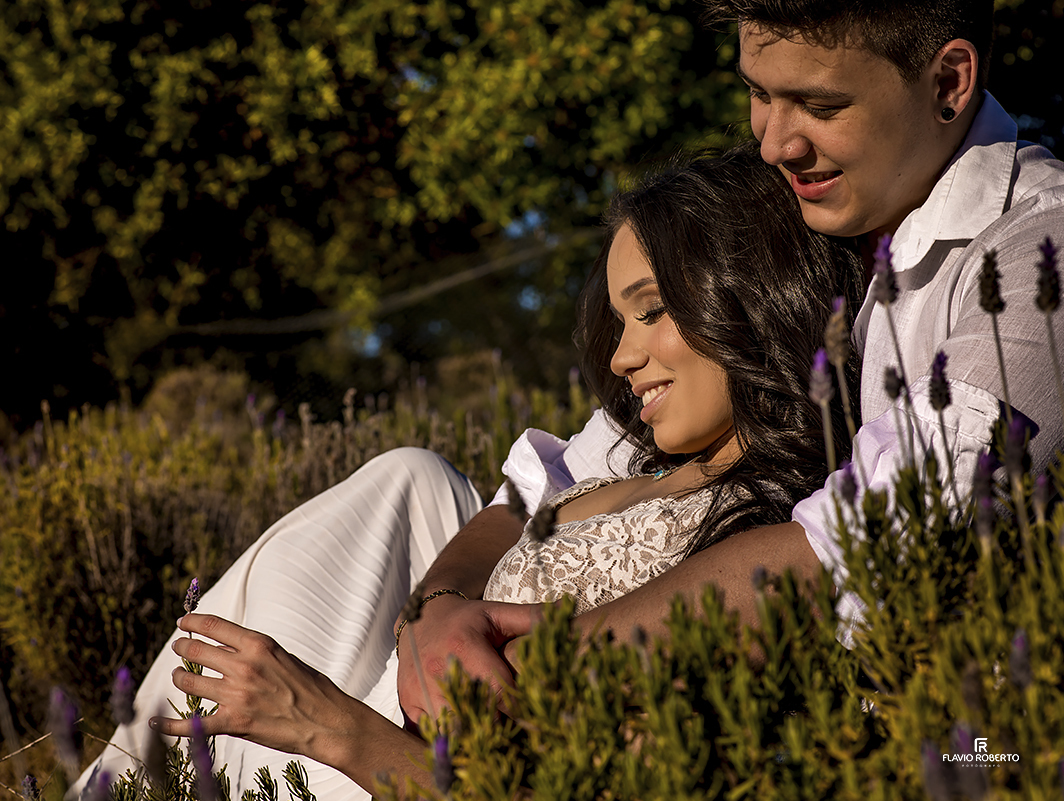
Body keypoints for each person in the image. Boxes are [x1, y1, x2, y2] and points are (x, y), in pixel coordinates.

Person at [76, 146, 862, 798]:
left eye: (652, 310)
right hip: (376, 703)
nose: (622, 357)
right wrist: (439, 606)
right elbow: (517, 495)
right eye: (620, 321)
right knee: (406, 474)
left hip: (381, 767)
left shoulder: (768, 549)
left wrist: (330, 726)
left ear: (752, 297)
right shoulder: (646, 458)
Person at [396, 0, 1064, 724]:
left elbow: (890, 533)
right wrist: (437, 612)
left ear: (949, 82)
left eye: (819, 105)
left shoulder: (1039, 249)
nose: (774, 144)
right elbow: (549, 483)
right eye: (757, 93)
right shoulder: (805, 206)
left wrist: (533, 668)